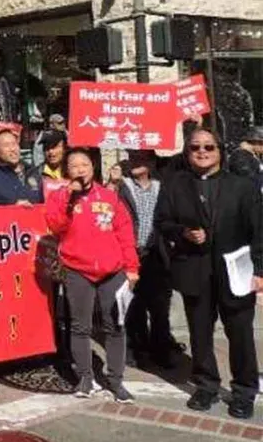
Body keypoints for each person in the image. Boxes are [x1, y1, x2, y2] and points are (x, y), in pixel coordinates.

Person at [154, 128, 263, 419]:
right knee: (200, 334)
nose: (202, 152)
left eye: (209, 147)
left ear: (220, 151)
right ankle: (206, 385)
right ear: (187, 153)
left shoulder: (243, 186)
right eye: (195, 147)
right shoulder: (175, 184)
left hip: (236, 272)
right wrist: (184, 233)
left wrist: (261, 270)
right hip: (195, 269)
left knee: (240, 335)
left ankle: (243, 391)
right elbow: (162, 222)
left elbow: (259, 231)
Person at [45, 148, 139, 402]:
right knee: (80, 326)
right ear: (67, 171)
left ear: (93, 168)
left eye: (84, 164)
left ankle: (116, 380)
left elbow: (125, 234)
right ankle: (85, 378)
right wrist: (69, 198)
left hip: (113, 271)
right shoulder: (58, 197)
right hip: (78, 270)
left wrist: (132, 268)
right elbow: (56, 226)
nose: (80, 169)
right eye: (74, 165)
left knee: (115, 326)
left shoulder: (109, 196)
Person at [121, 150, 175, 367]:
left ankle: (161, 349)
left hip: (156, 253)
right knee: (134, 305)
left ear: (152, 163)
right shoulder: (121, 187)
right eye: (133, 158)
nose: (135, 162)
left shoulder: (163, 187)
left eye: (141, 158)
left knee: (160, 305)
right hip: (130, 253)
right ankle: (138, 349)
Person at [0, 130, 42, 206]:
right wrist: (12, 210)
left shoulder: (33, 172)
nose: (12, 149)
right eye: (6, 145)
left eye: (14, 144)